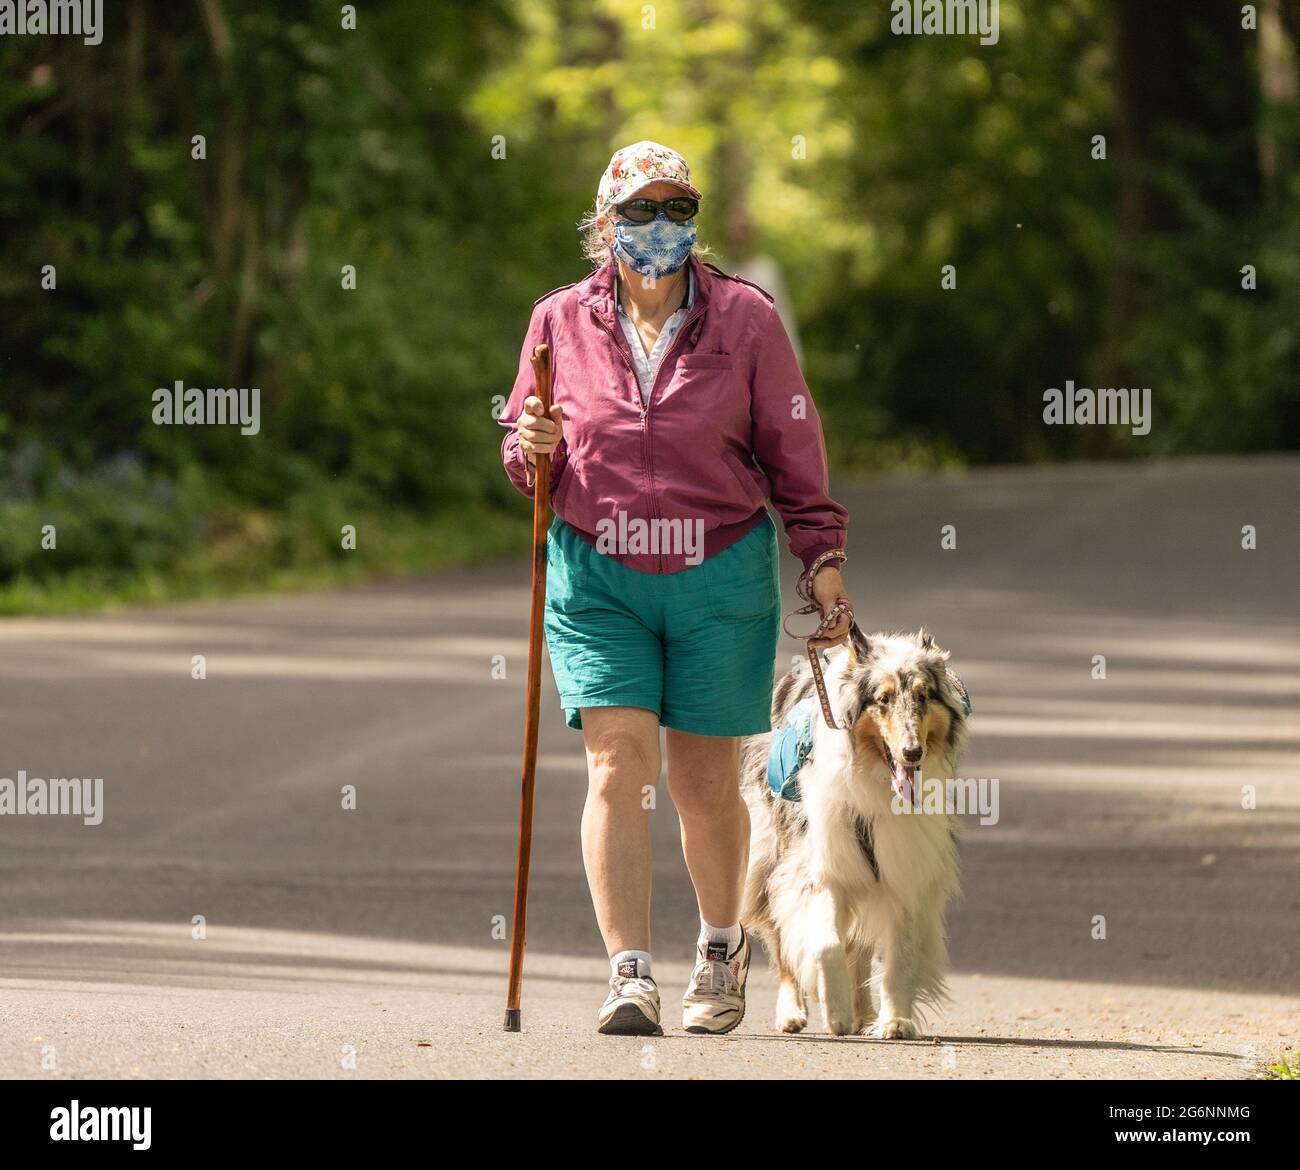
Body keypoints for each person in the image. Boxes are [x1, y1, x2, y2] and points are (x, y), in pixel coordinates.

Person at [498, 140, 852, 1036]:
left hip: (719, 572)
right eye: (641, 212)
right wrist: (528, 447)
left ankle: (721, 947)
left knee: (700, 781)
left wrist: (821, 556)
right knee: (618, 762)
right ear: (604, 225)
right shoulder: (558, 322)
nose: (660, 228)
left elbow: (793, 451)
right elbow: (523, 444)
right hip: (597, 570)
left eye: (677, 210)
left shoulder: (747, 321)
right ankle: (628, 974)